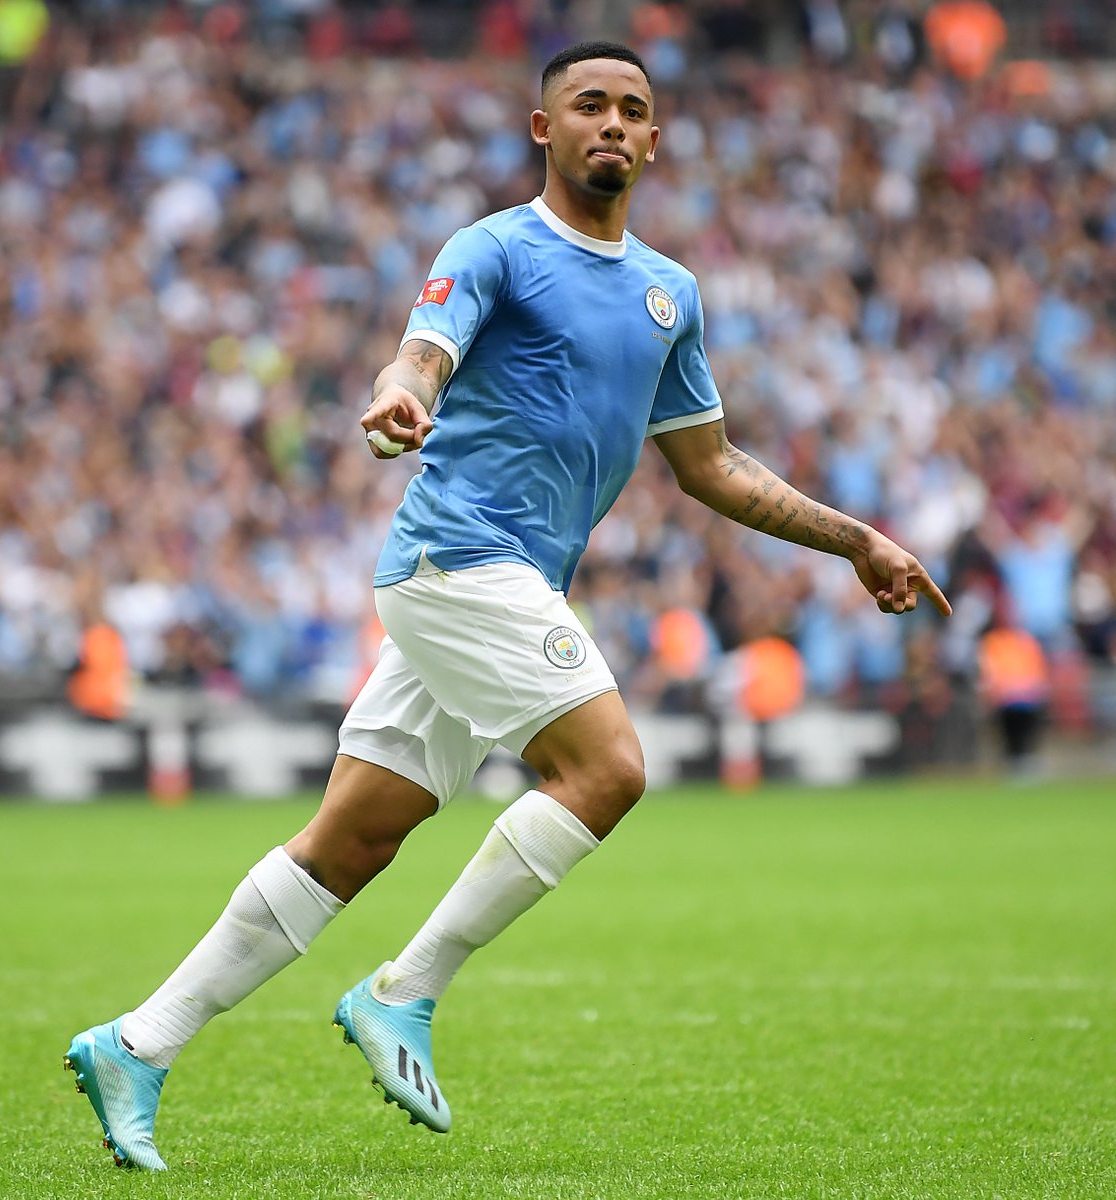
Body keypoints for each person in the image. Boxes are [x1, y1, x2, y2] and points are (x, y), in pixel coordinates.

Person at [64, 40, 952, 1171]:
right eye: (590, 105)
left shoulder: (669, 292)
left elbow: (714, 466)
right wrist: (398, 392)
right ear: (545, 128)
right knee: (611, 770)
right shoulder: (494, 246)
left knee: (354, 839)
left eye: (635, 109)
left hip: (497, 583)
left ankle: (137, 1044)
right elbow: (423, 353)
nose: (614, 125)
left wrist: (857, 540)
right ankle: (404, 992)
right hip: (459, 561)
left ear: (657, 137)